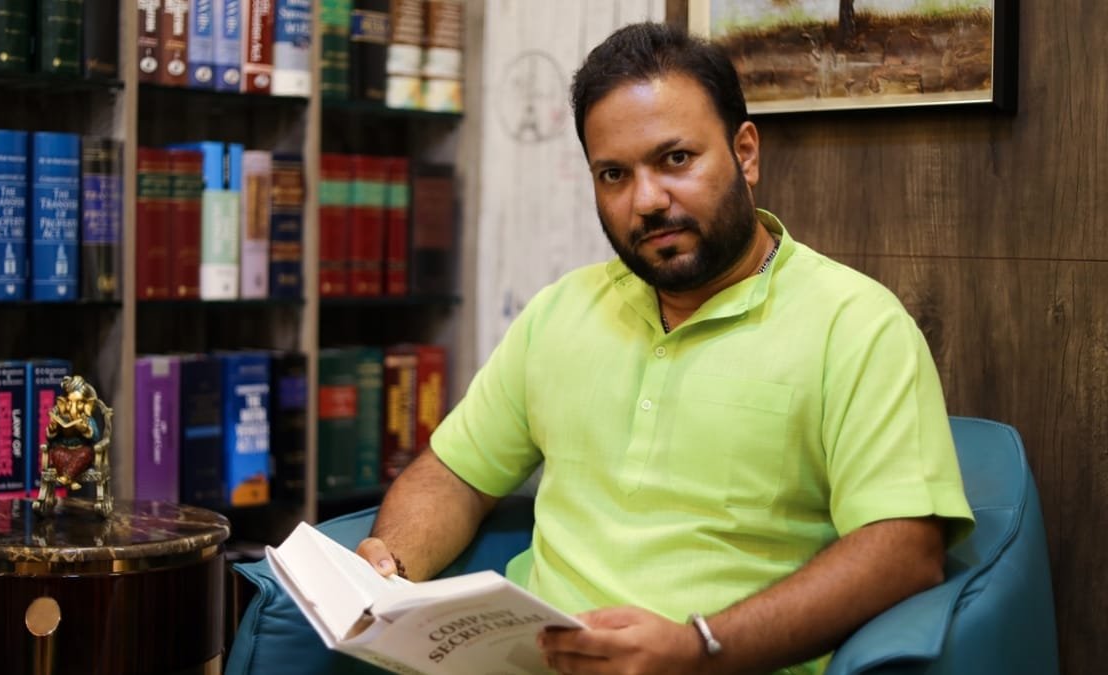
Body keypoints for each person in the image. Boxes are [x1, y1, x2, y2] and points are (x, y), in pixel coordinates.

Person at [358, 22, 974, 675]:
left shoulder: (856, 325)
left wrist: (698, 647)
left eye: (676, 159)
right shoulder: (560, 313)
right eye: (614, 174)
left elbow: (904, 548)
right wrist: (391, 565)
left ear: (745, 153)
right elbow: (454, 474)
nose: (647, 201)